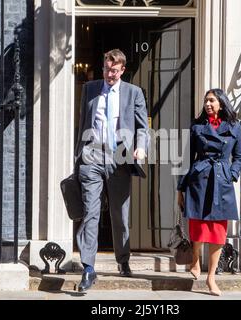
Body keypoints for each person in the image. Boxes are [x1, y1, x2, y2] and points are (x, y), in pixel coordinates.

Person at [74, 49, 148, 292]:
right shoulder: (90, 88)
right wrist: (79, 155)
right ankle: (88, 268)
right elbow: (83, 123)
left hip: (120, 156)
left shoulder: (133, 92)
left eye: (114, 70)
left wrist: (140, 148)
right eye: (106, 69)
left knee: (120, 214)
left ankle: (123, 260)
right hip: (92, 155)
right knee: (90, 213)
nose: (109, 74)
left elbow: (142, 126)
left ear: (122, 70)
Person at [177, 88, 241, 296]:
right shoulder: (197, 126)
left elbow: (239, 156)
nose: (208, 104)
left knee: (217, 233)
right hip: (199, 180)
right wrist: (181, 187)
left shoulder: (233, 126)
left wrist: (231, 174)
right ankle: (195, 258)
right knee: (197, 228)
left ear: (221, 104)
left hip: (221, 182)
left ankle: (211, 277)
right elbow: (186, 159)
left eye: (212, 100)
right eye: (206, 101)